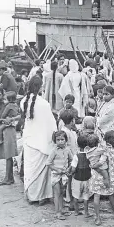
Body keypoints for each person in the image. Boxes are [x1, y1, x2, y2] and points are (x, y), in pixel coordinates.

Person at [20, 76, 58, 204]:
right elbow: (51, 124)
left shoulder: (23, 101)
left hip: (29, 140)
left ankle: (32, 195)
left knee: (30, 169)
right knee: (41, 169)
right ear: (41, 87)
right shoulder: (44, 104)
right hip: (41, 140)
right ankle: (41, 196)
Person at [88, 133, 114, 225]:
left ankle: (98, 218)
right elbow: (104, 161)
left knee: (96, 195)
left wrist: (93, 166)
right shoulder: (106, 151)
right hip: (106, 176)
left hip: (95, 175)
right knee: (111, 195)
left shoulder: (89, 151)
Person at [47, 130, 73, 220]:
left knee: (62, 193)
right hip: (56, 175)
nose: (60, 141)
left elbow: (71, 160)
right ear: (55, 141)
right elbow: (48, 163)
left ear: (66, 140)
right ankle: (57, 212)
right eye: (58, 140)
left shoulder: (68, 150)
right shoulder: (53, 151)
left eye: (62, 139)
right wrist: (57, 169)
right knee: (57, 193)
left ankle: (61, 210)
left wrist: (69, 169)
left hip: (64, 175)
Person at [70, 135, 92, 217]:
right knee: (86, 196)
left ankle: (76, 211)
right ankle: (86, 213)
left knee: (75, 196)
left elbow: (73, 169)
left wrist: (71, 174)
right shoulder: (89, 156)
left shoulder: (76, 156)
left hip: (77, 179)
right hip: (86, 179)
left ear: (77, 145)